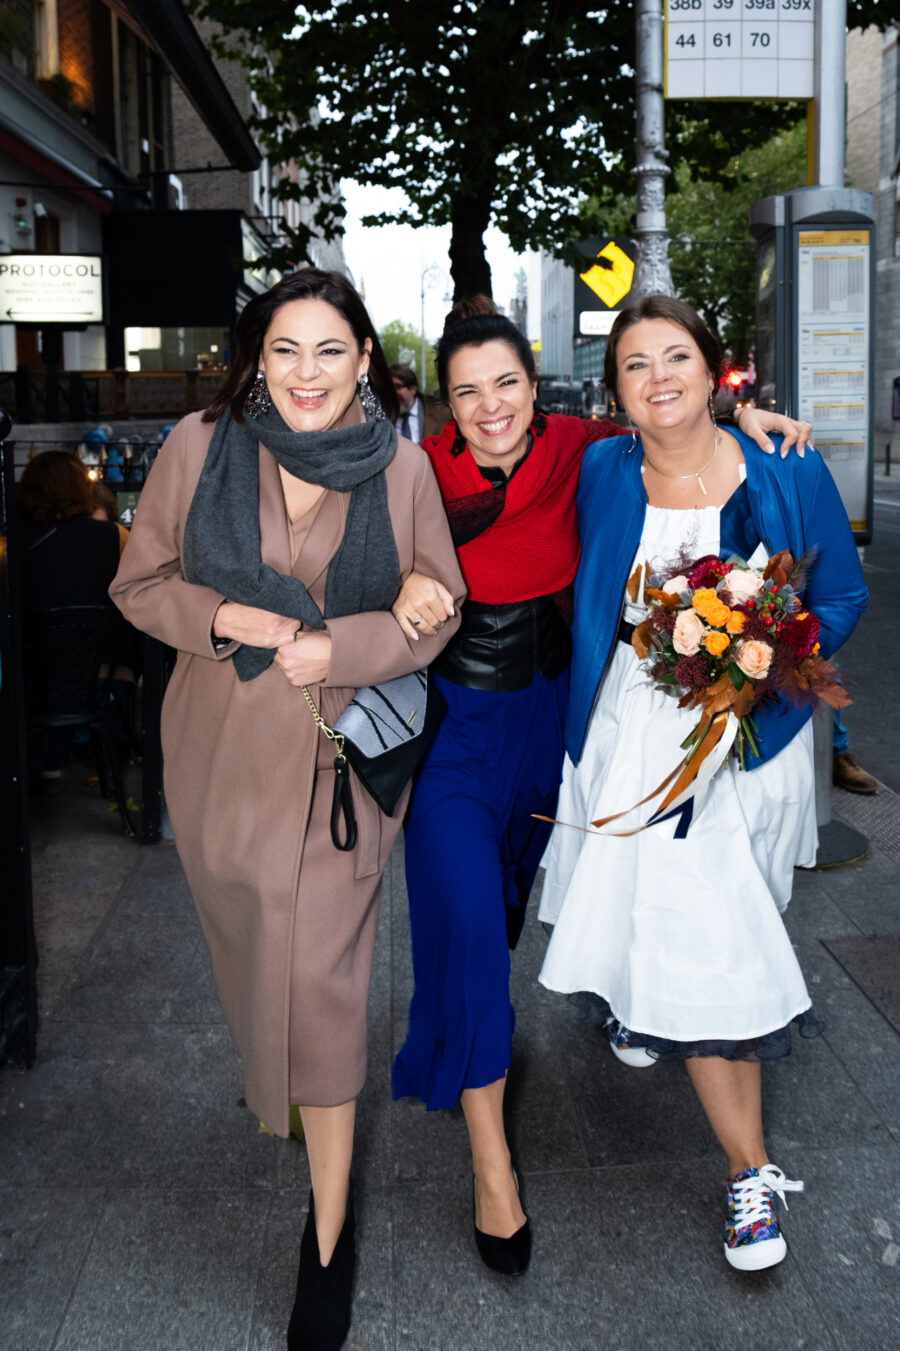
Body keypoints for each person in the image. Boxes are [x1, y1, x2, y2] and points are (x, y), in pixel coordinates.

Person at [389, 296, 814, 1277]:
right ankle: (494, 1170)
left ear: (536, 387)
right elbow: (341, 546)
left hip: (557, 732)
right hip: (455, 733)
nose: (491, 406)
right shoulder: (414, 478)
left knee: (521, 917)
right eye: (467, 391)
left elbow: (669, 420)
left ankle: (622, 1005)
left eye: (506, 383)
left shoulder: (582, 450)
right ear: (443, 406)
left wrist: (745, 413)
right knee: (463, 936)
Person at [109, 267, 464, 1351]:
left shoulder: (401, 471)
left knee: (321, 987)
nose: (307, 374)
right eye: (284, 350)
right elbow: (139, 585)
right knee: (266, 960)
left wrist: (340, 641)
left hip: (342, 770)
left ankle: (330, 1229)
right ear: (256, 359)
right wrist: (239, 619)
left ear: (366, 358)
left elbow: (436, 610)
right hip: (220, 765)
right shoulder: (195, 447)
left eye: (330, 350)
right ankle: (302, 1124)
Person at [538, 294, 867, 1271]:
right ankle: (749, 1175)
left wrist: (768, 661)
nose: (657, 379)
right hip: (631, 734)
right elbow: (505, 426)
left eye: (675, 357)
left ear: (714, 367)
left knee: (735, 910)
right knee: (714, 939)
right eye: (634, 367)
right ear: (616, 395)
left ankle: (644, 1002)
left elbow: (839, 596)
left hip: (753, 739)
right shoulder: (602, 466)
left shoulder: (783, 468)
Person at [17, 450, 121, 795]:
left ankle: (42, 768)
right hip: (95, 678)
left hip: (24, 684)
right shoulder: (113, 537)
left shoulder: (11, 542)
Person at [389, 362, 450, 443]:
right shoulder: (382, 418)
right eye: (390, 388)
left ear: (413, 389)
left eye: (398, 387)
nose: (393, 393)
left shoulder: (441, 414)